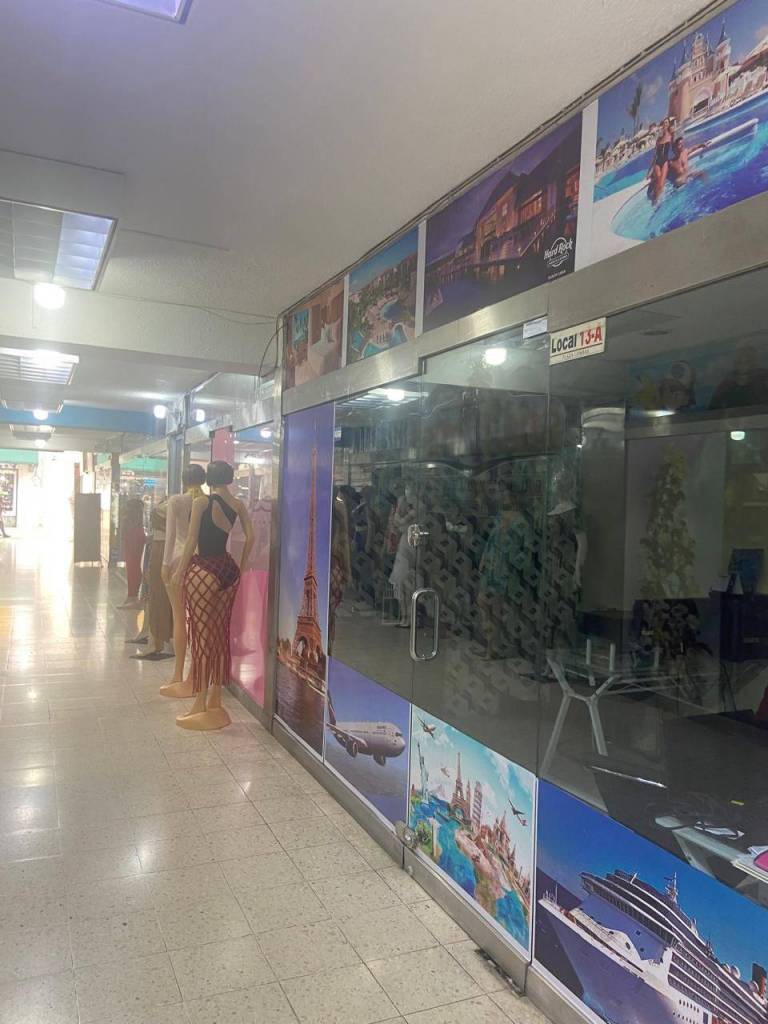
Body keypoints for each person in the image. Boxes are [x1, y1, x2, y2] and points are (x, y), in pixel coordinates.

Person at [172, 461, 254, 729]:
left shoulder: (202, 502)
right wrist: (242, 566)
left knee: (203, 637)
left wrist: (179, 572)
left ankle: (200, 703)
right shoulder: (238, 505)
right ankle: (215, 699)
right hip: (228, 569)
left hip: (204, 569)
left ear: (209, 478)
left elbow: (191, 541)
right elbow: (251, 537)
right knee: (220, 635)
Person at [160, 465, 206, 696]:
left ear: (183, 479)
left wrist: (165, 564)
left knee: (179, 617)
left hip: (178, 559)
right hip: (202, 562)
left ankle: (177, 674)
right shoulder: (206, 501)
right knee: (199, 622)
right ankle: (195, 675)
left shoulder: (176, 501)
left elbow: (170, 536)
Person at [118, 498, 146, 609]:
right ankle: (132, 596)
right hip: (135, 538)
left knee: (132, 569)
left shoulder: (128, 520)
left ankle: (132, 597)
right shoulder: (138, 521)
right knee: (134, 568)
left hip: (132, 540)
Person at [647, 118, 673, 204]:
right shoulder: (658, 140)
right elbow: (655, 156)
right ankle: (655, 201)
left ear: (668, 124)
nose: (665, 124)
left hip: (665, 161)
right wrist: (649, 171)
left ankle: (657, 200)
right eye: (664, 123)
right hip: (657, 162)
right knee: (658, 179)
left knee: (661, 183)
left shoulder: (671, 136)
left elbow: (674, 147)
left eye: (666, 123)